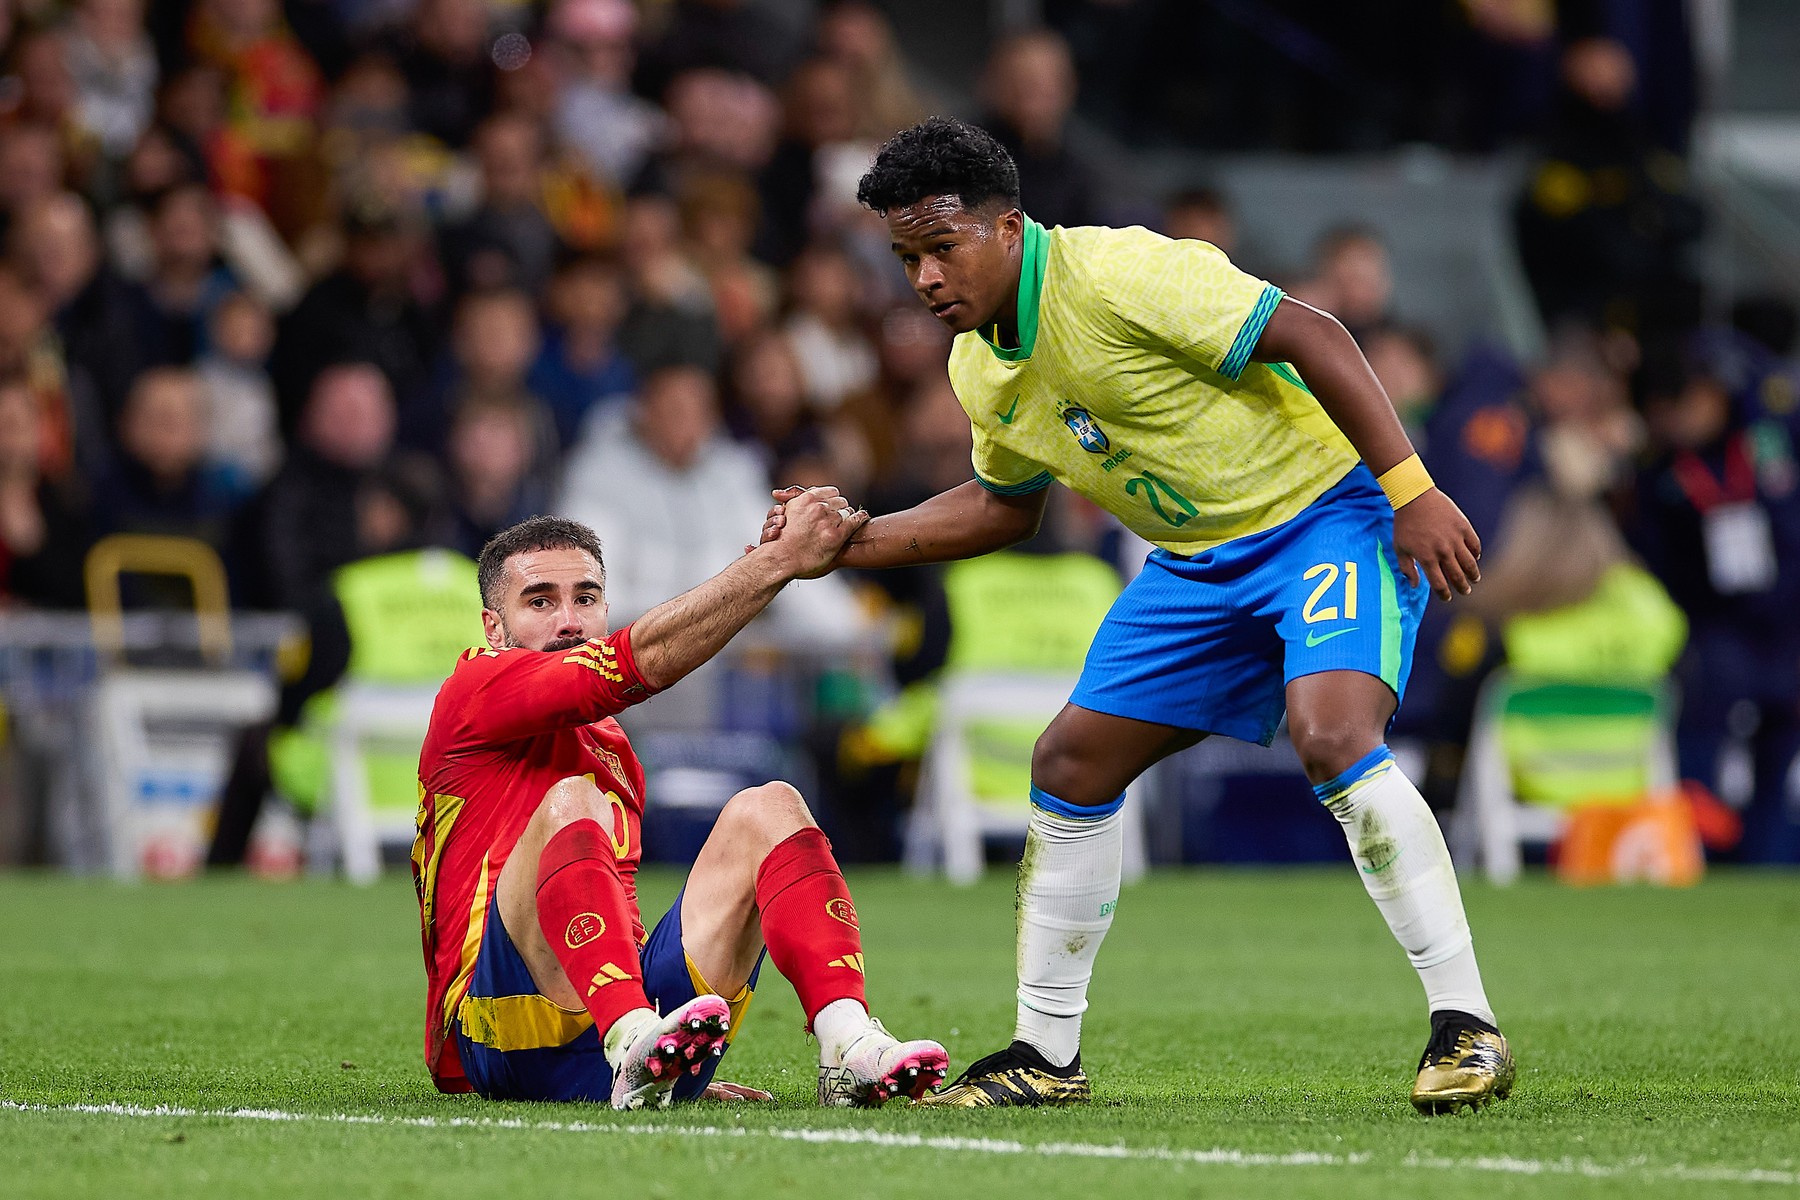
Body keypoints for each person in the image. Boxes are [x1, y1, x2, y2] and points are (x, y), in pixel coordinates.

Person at [766, 116, 1508, 1113]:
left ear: (1008, 227)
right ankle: (1044, 1055)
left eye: (942, 249)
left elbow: (1312, 333)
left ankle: (1467, 1027)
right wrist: (843, 544)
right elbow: (1002, 506)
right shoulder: (978, 367)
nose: (926, 281)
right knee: (1069, 762)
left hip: (1323, 517)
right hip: (1198, 568)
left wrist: (1411, 488)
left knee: (1332, 734)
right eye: (906, 259)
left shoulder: (1117, 273)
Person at [414, 510, 948, 1110]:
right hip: (494, 1044)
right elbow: (628, 665)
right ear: (494, 627)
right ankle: (632, 1038)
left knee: (770, 807)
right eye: (540, 602)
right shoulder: (476, 688)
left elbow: (609, 911)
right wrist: (775, 563)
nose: (569, 621)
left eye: (585, 598)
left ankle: (847, 1044)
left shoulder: (611, 746)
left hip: (624, 1044)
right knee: (569, 797)